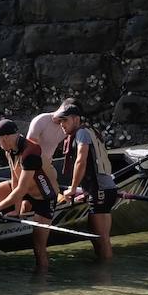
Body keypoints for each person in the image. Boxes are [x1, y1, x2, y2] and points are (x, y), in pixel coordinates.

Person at [0, 118, 57, 271]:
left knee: (38, 247)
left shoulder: (31, 152)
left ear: (6, 138)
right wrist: (15, 208)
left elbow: (20, 190)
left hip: (44, 197)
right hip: (26, 190)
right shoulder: (10, 150)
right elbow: (15, 180)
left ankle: (42, 280)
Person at [54, 100, 117, 260]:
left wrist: (73, 189)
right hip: (102, 190)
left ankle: (105, 278)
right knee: (99, 237)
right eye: (60, 121)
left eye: (65, 120)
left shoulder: (82, 133)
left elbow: (81, 160)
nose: (62, 125)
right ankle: (104, 275)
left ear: (76, 119)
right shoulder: (89, 130)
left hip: (100, 191)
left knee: (100, 239)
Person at [27, 109, 66, 193]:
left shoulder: (67, 127)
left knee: (53, 176)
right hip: (33, 166)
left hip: (48, 165)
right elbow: (30, 146)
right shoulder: (41, 120)